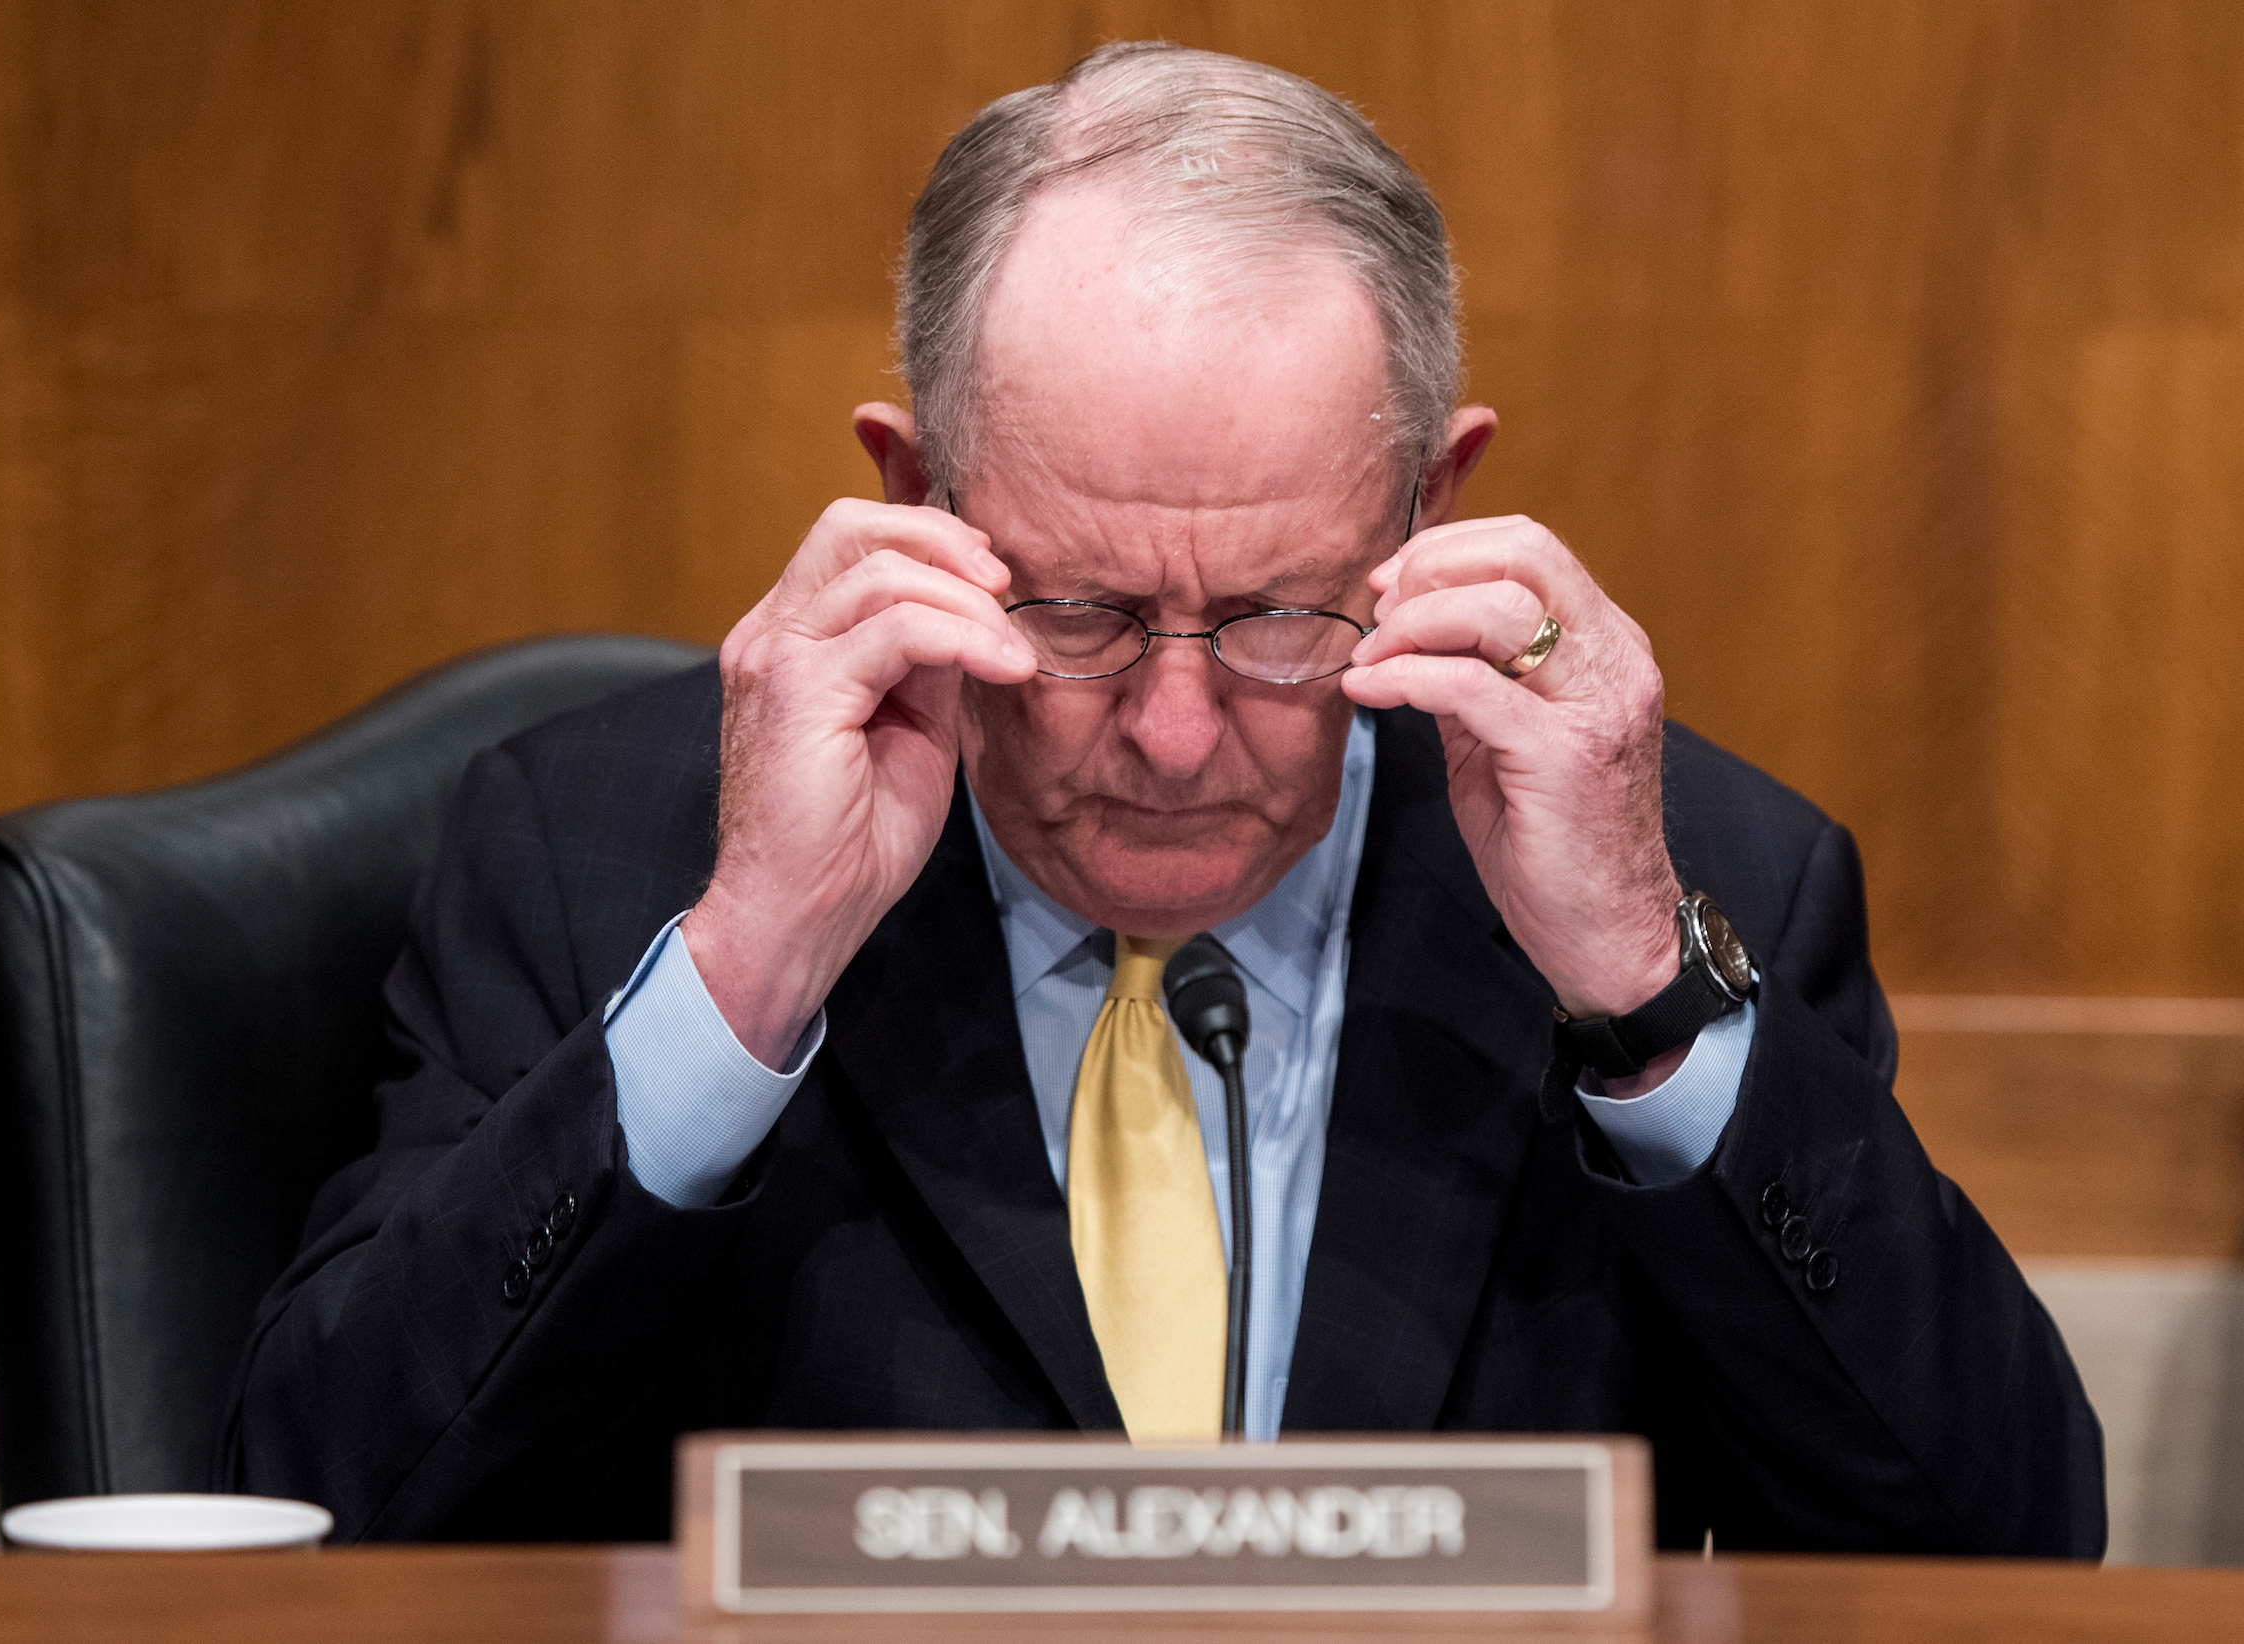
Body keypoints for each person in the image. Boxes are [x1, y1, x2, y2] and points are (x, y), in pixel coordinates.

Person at [223, 42, 2104, 1554]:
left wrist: (1650, 1004)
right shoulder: (604, 862)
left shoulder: (1681, 881)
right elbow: (315, 1516)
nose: (1182, 732)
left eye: (1287, 613)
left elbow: (2010, 1553)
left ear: (1426, 518)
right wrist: (749, 975)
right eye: (1083, 611)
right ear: (915, 494)